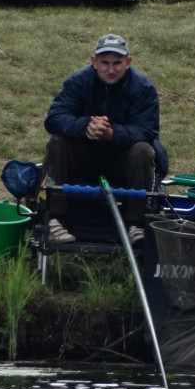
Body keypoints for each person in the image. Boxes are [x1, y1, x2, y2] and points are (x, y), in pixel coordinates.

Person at [42, 33, 162, 246]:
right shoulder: (78, 81)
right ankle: (54, 219)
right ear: (94, 62)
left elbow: (148, 130)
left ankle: (136, 224)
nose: (111, 69)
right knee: (57, 142)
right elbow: (54, 118)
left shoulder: (143, 87)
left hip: (121, 159)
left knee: (143, 150)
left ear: (128, 62)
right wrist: (86, 126)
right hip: (82, 156)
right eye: (105, 63)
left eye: (117, 63)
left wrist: (112, 134)